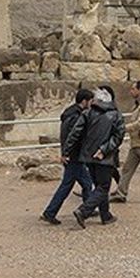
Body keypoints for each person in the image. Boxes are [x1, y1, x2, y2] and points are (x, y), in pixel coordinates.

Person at [67, 88, 126, 228]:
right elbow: (118, 137)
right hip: (104, 157)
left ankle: (105, 215)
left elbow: (75, 133)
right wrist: (103, 150)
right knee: (103, 187)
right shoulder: (116, 115)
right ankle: (83, 211)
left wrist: (66, 151)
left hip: (88, 156)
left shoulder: (87, 113)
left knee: (99, 186)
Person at [40, 89, 95, 225]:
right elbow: (74, 137)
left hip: (72, 155)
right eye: (90, 101)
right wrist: (67, 153)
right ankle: (50, 212)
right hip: (74, 157)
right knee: (66, 186)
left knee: (87, 183)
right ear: (85, 101)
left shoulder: (70, 114)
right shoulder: (76, 117)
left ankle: (87, 208)